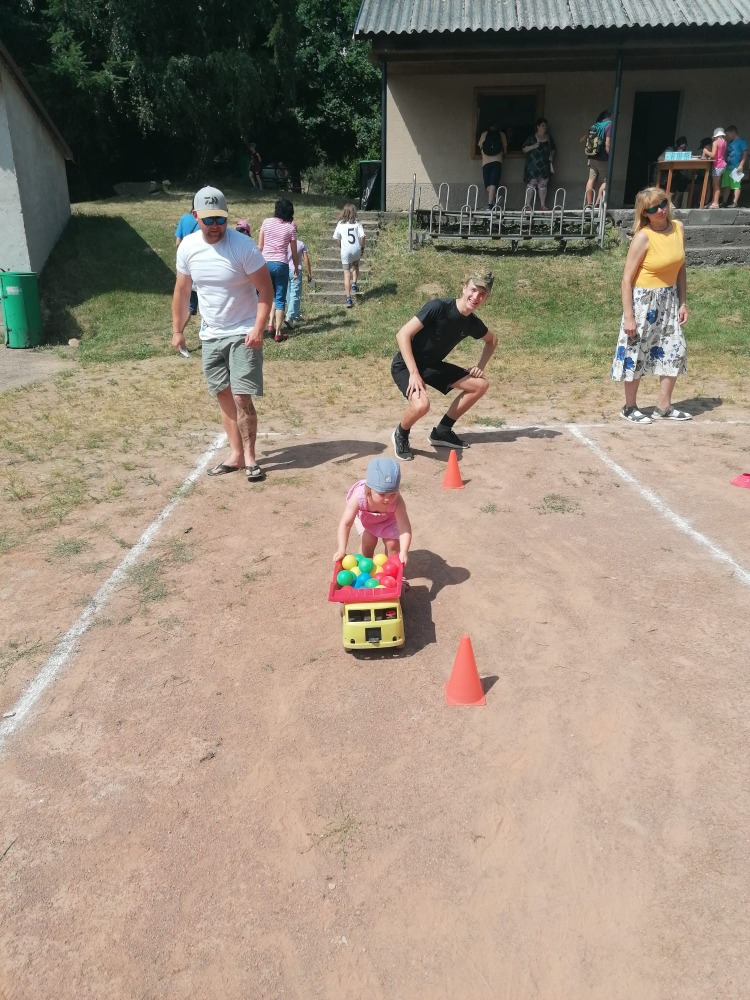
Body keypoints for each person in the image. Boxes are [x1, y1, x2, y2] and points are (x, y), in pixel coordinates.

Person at [172, 185, 274, 481]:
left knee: (242, 396)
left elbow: (266, 290)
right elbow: (182, 291)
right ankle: (236, 455)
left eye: (221, 219)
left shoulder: (243, 247)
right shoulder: (188, 248)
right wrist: (177, 330)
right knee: (224, 395)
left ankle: (251, 458)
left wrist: (258, 327)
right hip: (211, 334)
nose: (216, 226)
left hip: (243, 331)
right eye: (209, 220)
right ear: (195, 216)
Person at [390, 271, 498, 461]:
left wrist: (480, 366)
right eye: (473, 290)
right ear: (464, 288)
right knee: (422, 405)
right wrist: (414, 373)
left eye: (482, 294)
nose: (476, 297)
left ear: (486, 298)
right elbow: (403, 334)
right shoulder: (439, 307)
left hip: (432, 367)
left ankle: (442, 431)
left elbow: (492, 340)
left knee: (480, 385)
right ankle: (401, 433)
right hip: (406, 365)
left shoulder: (472, 323)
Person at [611, 187, 691, 424]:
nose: (661, 210)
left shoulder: (678, 228)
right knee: (635, 354)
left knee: (675, 350)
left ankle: (664, 407)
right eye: (653, 208)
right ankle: (629, 407)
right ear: (644, 213)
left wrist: (683, 302)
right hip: (644, 301)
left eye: (663, 203)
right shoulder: (643, 237)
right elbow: (626, 279)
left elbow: (681, 269)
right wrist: (629, 317)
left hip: (669, 298)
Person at [334, 457, 412, 569]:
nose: (387, 499)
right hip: (366, 520)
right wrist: (341, 549)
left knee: (392, 544)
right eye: (381, 494)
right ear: (369, 489)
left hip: (388, 520)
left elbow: (404, 528)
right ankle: (364, 568)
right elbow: (345, 524)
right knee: (368, 541)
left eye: (393, 494)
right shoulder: (359, 496)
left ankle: (392, 570)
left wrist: (404, 551)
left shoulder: (397, 502)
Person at [258, 198, 299, 341]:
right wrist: (296, 267)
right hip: (281, 264)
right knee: (280, 299)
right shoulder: (290, 228)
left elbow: (260, 246)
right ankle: (278, 333)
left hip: (265, 263)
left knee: (266, 295)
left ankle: (266, 326)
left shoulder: (266, 222)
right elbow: (294, 253)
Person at [332, 204, 366, 308]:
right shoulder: (357, 223)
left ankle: (348, 298)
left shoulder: (340, 224)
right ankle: (354, 284)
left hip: (345, 251)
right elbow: (363, 236)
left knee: (346, 274)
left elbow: (336, 237)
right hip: (356, 249)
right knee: (356, 265)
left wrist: (340, 246)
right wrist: (362, 247)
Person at [174, 206, 201, 333]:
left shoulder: (184, 218)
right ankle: (179, 331)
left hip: (185, 267)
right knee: (192, 306)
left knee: (185, 301)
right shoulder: (204, 222)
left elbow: (177, 242)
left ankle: (177, 331)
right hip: (199, 268)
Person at [522, 118, 556, 211]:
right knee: (531, 184)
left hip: (544, 165)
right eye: (542, 125)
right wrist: (534, 146)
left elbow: (553, 149)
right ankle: (528, 205)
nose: (544, 127)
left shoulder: (548, 138)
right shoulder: (531, 137)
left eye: (545, 125)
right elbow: (524, 149)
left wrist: (551, 155)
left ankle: (543, 205)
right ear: (538, 127)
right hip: (533, 166)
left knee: (543, 185)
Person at [581, 109, 612, 207]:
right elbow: (608, 143)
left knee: (591, 179)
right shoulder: (609, 125)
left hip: (592, 157)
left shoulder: (595, 125)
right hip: (602, 158)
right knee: (606, 181)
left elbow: (582, 139)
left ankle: (589, 204)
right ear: (610, 116)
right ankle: (598, 204)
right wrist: (610, 156)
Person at [477, 123, 507, 210]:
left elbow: (480, 147)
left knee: (487, 185)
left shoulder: (484, 134)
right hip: (497, 161)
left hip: (485, 162)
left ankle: (490, 203)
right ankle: (493, 201)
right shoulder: (501, 134)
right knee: (493, 183)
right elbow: (505, 149)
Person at [285, 235, 312, 326]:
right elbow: (306, 259)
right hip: (296, 270)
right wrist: (309, 273)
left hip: (285, 269)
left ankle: (295, 315)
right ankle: (290, 316)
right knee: (295, 294)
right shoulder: (301, 244)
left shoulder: (285, 244)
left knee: (289, 293)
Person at [721, 125, 748, 207]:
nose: (727, 137)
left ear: (733, 133)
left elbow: (745, 154)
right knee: (727, 185)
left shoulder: (742, 141)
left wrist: (741, 165)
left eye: (727, 135)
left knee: (736, 185)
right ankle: (724, 202)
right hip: (728, 167)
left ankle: (734, 202)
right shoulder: (729, 143)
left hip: (737, 167)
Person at [708, 127, 728, 208]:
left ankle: (716, 203)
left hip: (717, 165)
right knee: (715, 184)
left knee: (716, 185)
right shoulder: (724, 142)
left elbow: (713, 154)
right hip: (722, 164)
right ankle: (713, 201)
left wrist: (706, 151)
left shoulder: (715, 142)